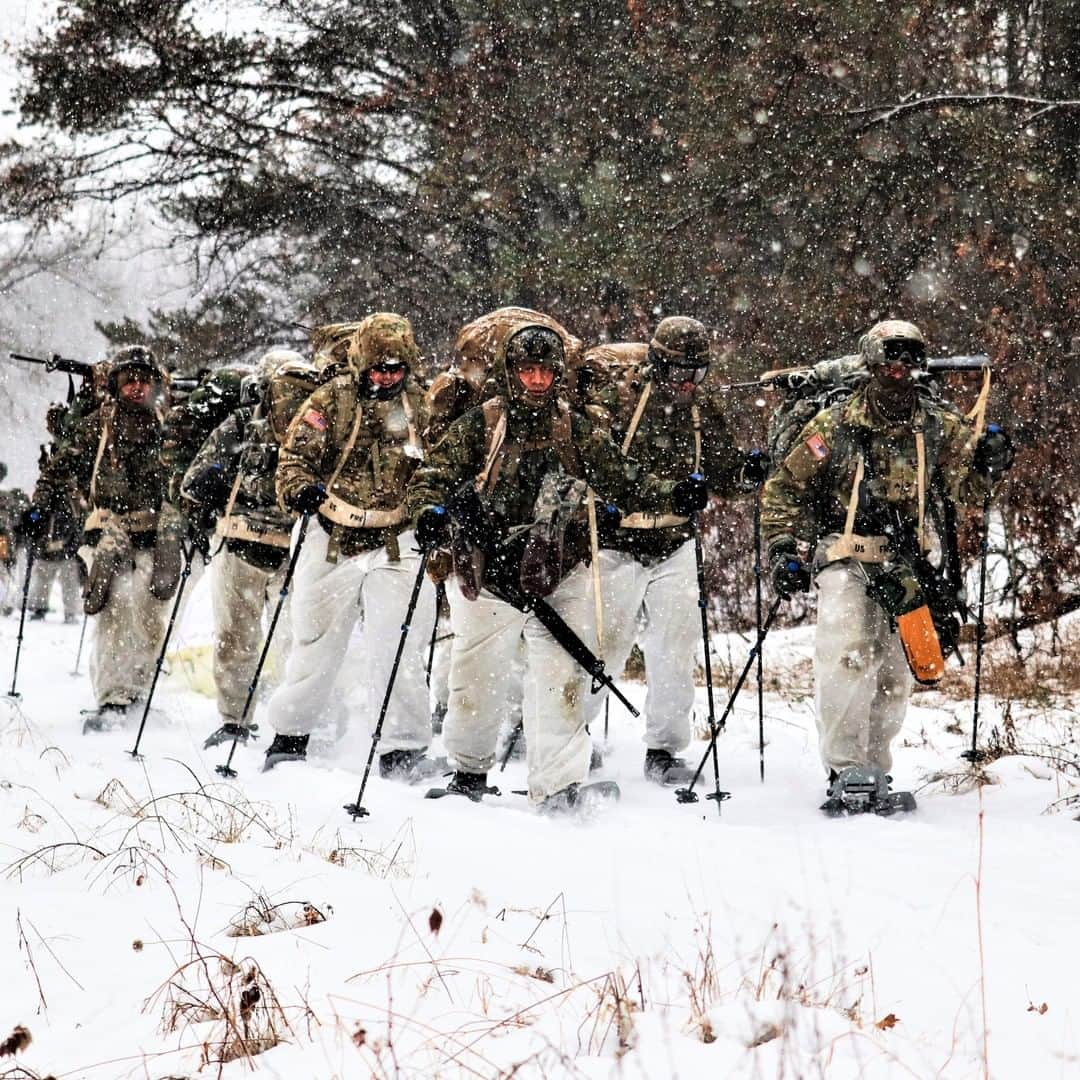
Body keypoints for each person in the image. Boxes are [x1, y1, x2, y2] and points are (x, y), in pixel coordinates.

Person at [406, 318, 706, 813]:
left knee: (562, 676)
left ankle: (559, 783)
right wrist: (429, 514)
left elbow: (625, 480)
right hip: (488, 571)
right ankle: (467, 770)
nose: (537, 381)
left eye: (545, 371)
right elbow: (433, 477)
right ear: (511, 372)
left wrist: (675, 494)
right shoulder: (481, 425)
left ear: (557, 374)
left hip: (558, 567)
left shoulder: (575, 429)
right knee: (476, 672)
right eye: (527, 371)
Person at [760, 320, 1013, 805]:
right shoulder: (834, 425)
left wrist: (988, 464)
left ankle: (876, 767)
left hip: (909, 561)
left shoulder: (937, 423)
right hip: (845, 553)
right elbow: (785, 489)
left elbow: (967, 491)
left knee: (897, 672)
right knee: (848, 655)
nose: (899, 372)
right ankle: (845, 769)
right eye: (890, 360)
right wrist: (782, 550)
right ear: (872, 363)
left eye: (909, 361)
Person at [582, 317, 759, 784]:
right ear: (656, 362)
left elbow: (723, 471)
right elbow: (599, 463)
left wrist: (747, 473)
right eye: (679, 371)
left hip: (675, 541)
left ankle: (664, 749)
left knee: (674, 649)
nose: (687, 383)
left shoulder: (702, 411)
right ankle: (569, 733)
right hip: (616, 536)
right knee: (605, 644)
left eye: (698, 374)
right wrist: (665, 491)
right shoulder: (617, 400)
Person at [264, 313, 440, 779]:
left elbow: (438, 469)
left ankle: (403, 747)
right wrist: (300, 488)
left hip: (395, 539)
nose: (386, 376)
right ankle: (291, 734)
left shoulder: (421, 407)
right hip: (332, 534)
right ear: (361, 362)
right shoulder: (331, 399)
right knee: (315, 643)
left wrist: (434, 510)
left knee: (399, 644)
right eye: (378, 367)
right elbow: (295, 456)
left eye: (395, 367)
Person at [31, 346, 177, 728]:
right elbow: (59, 467)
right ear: (117, 384)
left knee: (150, 611)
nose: (137, 387)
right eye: (130, 379)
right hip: (106, 529)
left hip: (153, 531)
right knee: (116, 604)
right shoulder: (99, 423)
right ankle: (112, 696)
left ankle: (138, 691)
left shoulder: (166, 424)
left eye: (144, 380)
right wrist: (39, 508)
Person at [181, 348, 305, 748]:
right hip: (266, 544)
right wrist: (210, 482)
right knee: (260, 639)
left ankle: (265, 722)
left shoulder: (298, 425)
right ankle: (257, 722)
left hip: (271, 545)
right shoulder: (247, 425)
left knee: (265, 639)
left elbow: (190, 483)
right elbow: (193, 481)